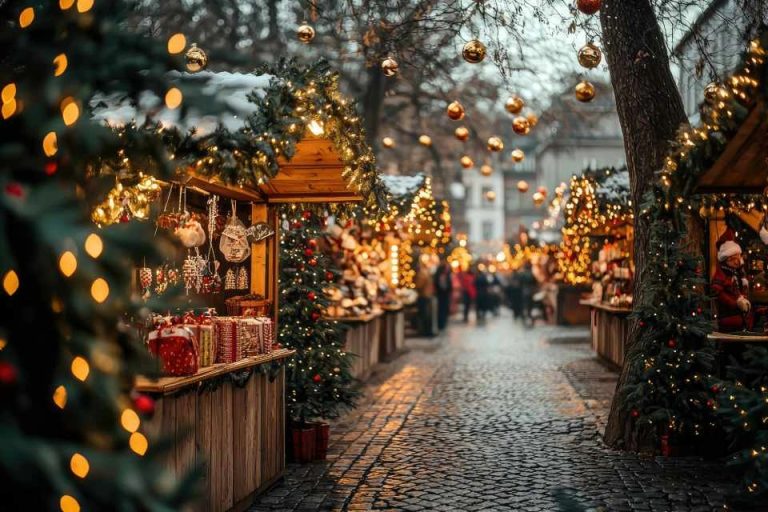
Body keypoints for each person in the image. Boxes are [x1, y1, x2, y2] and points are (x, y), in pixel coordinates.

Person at [712, 229, 753, 331]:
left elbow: (742, 290)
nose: (737, 262)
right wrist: (735, 303)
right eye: (733, 259)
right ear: (726, 259)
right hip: (728, 314)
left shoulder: (739, 272)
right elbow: (717, 293)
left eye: (738, 258)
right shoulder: (722, 272)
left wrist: (743, 300)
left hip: (739, 314)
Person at [414, 262, 435, 336]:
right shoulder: (427, 273)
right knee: (427, 315)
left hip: (423, 296)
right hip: (427, 295)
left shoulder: (421, 274)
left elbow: (419, 285)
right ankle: (427, 331)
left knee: (424, 315)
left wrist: (416, 287)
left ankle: (425, 331)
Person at [433, 261, 453, 330]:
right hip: (441, 296)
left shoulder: (447, 276)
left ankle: (443, 323)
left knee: (444, 309)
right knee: (441, 310)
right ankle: (441, 324)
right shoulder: (440, 276)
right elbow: (441, 286)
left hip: (445, 295)